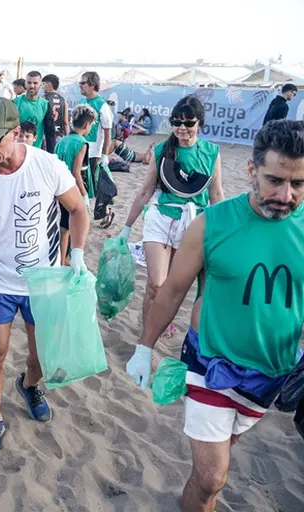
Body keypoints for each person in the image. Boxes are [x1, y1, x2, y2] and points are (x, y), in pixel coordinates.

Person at [125, 119, 304, 512]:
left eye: (298, 184)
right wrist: (144, 347)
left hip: (272, 373)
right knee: (212, 477)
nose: (286, 195)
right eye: (275, 180)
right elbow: (172, 290)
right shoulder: (213, 223)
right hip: (210, 363)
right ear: (252, 170)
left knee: (212, 472)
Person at [0, 98, 90, 456]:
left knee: (41, 356)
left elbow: (77, 209)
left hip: (41, 280)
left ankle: (29, 385)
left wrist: (75, 253)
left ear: (17, 134)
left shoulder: (46, 166)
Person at [119, 96, 224, 340]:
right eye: (177, 122)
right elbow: (145, 190)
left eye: (188, 123)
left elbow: (216, 193)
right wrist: (126, 228)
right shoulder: (161, 151)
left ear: (200, 123)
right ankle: (148, 334)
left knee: (171, 287)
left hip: (192, 224)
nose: (182, 128)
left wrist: (221, 231)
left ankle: (161, 320)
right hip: (160, 218)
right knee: (156, 284)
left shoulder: (211, 153)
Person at [54, 105, 96, 264]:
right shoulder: (81, 143)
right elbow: (76, 172)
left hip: (59, 187)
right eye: (91, 125)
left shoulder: (62, 140)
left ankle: (63, 257)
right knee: (69, 228)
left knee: (64, 226)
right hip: (73, 190)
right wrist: (85, 195)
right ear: (87, 125)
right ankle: (63, 260)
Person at [78, 71, 113, 192]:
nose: (80, 85)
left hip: (93, 152)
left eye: (83, 83)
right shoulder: (82, 102)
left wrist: (104, 155)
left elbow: (108, 132)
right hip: (79, 147)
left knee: (90, 187)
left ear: (93, 85)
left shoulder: (102, 105)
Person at [14, 71, 50, 150]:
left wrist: (50, 152)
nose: (32, 86)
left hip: (36, 150)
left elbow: (49, 131)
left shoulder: (45, 105)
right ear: (25, 84)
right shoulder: (15, 103)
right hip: (17, 150)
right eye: (29, 82)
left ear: (40, 84)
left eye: (35, 83)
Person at [43, 74, 69, 138]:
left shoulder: (43, 99)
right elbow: (65, 122)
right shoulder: (63, 100)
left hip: (46, 135)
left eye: (43, 84)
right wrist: (67, 137)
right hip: (59, 135)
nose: (42, 87)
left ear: (49, 85)